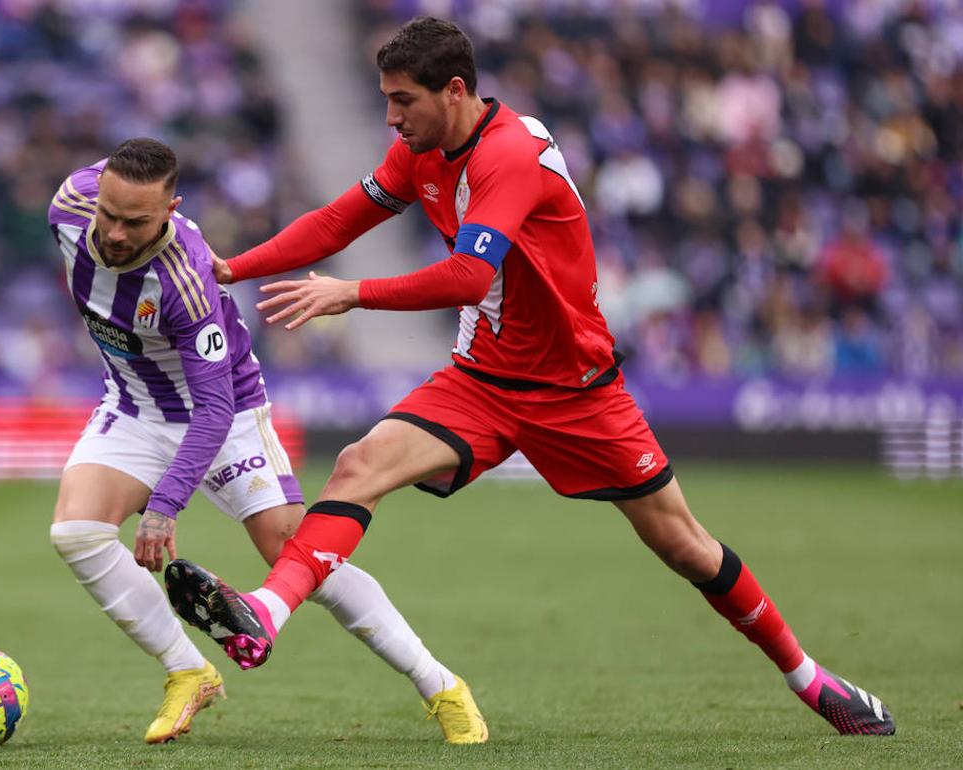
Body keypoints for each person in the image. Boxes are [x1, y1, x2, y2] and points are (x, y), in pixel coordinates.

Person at [164, 18, 895, 737]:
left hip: (579, 391)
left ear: (454, 91)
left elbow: (469, 273)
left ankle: (809, 677)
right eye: (385, 101)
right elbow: (338, 221)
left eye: (403, 101)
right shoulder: (418, 151)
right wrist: (233, 267)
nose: (391, 118)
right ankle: (264, 613)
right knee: (359, 465)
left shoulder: (507, 154)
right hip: (482, 380)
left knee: (687, 548)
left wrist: (353, 293)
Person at [46, 137, 488, 745]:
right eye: (111, 215)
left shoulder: (188, 281)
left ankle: (440, 686)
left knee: (302, 558)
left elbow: (214, 405)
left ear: (172, 209)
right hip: (135, 405)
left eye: (137, 221)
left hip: (222, 418)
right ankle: (187, 671)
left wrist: (163, 508)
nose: (117, 233)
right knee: (76, 531)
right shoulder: (70, 203)